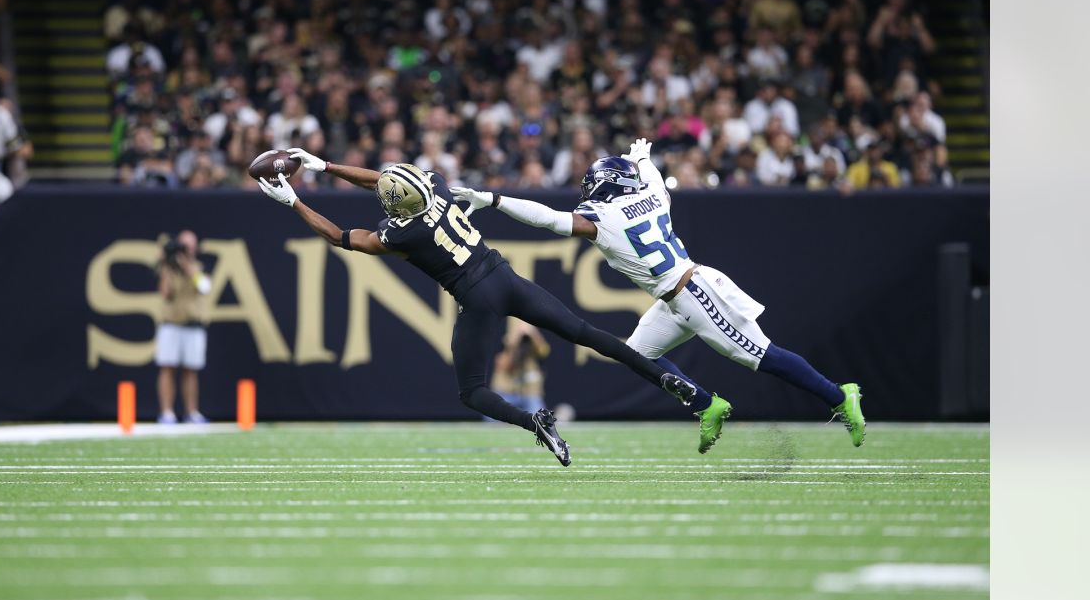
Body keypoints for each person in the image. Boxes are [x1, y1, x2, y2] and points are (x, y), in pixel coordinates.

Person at [258, 149, 700, 466]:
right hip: (506, 277)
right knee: (587, 334)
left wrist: (295, 202)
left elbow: (340, 236)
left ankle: (535, 423)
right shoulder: (436, 184)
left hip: (478, 299)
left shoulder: (401, 235)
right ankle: (663, 376)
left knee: (472, 391)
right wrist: (325, 166)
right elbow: (387, 180)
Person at [451, 139, 867, 453]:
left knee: (760, 356)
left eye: (593, 185)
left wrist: (494, 199)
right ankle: (708, 405)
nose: (588, 193)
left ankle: (839, 395)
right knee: (637, 355)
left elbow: (548, 218)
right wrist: (643, 157)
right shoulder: (652, 194)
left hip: (695, 292)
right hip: (674, 297)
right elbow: (648, 174)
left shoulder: (605, 218)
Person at [155, 230, 212, 424]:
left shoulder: (198, 267)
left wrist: (187, 266)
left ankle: (191, 412)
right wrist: (165, 265)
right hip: (171, 324)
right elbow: (165, 294)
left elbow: (204, 286)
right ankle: (167, 412)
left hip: (193, 325)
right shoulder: (169, 269)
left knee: (191, 370)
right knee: (167, 367)